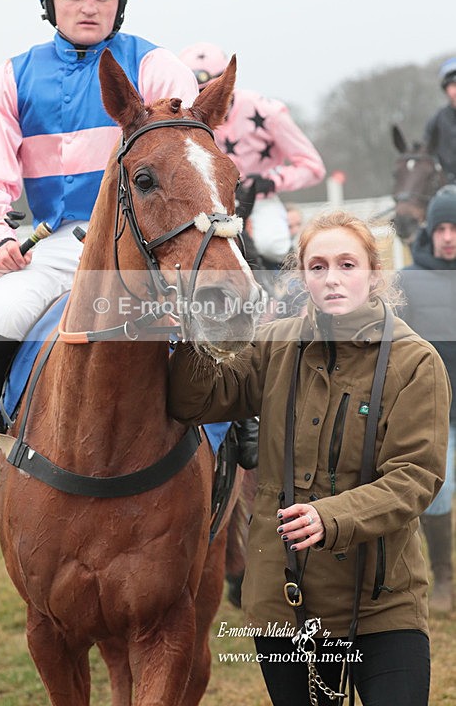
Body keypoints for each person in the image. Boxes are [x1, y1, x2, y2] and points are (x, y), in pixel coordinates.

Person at [168, 211, 450, 706]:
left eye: (347, 263)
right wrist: (196, 330)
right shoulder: (276, 343)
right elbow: (195, 401)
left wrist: (331, 516)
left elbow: (414, 477)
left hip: (383, 603)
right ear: (302, 277)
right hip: (285, 601)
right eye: (317, 267)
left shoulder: (416, 361)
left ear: (375, 274)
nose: (333, 278)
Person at [0, 0, 200, 487]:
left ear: (120, 3)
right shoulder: (12, 76)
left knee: (211, 316)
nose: (89, 6)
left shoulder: (155, 66)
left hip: (147, 243)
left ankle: (241, 419)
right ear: (50, 2)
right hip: (56, 242)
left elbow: (193, 155)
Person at [178, 42, 326, 268]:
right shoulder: (180, 119)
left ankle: (286, 293)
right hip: (207, 203)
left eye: (211, 92)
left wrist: (271, 181)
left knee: (271, 246)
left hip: (259, 201)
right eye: (196, 93)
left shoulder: (268, 111)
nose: (204, 102)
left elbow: (313, 167)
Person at [399, 184, 456, 614]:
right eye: (443, 228)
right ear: (430, 231)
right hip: (437, 411)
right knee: (438, 493)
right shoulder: (409, 281)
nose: (449, 236)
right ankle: (444, 580)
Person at [423, 57, 456, 183]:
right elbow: (428, 152)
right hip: (448, 187)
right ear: (446, 89)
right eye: (453, 85)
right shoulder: (437, 121)